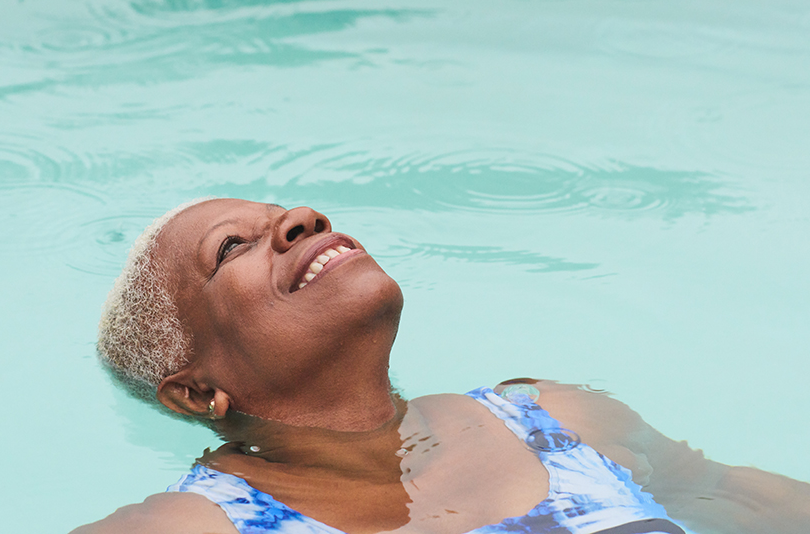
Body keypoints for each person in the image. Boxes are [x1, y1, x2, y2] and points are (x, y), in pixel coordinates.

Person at [73, 198, 810, 534]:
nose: (303, 221)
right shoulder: (195, 525)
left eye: (287, 216)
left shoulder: (554, 420)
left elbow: (744, 507)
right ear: (198, 391)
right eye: (233, 248)